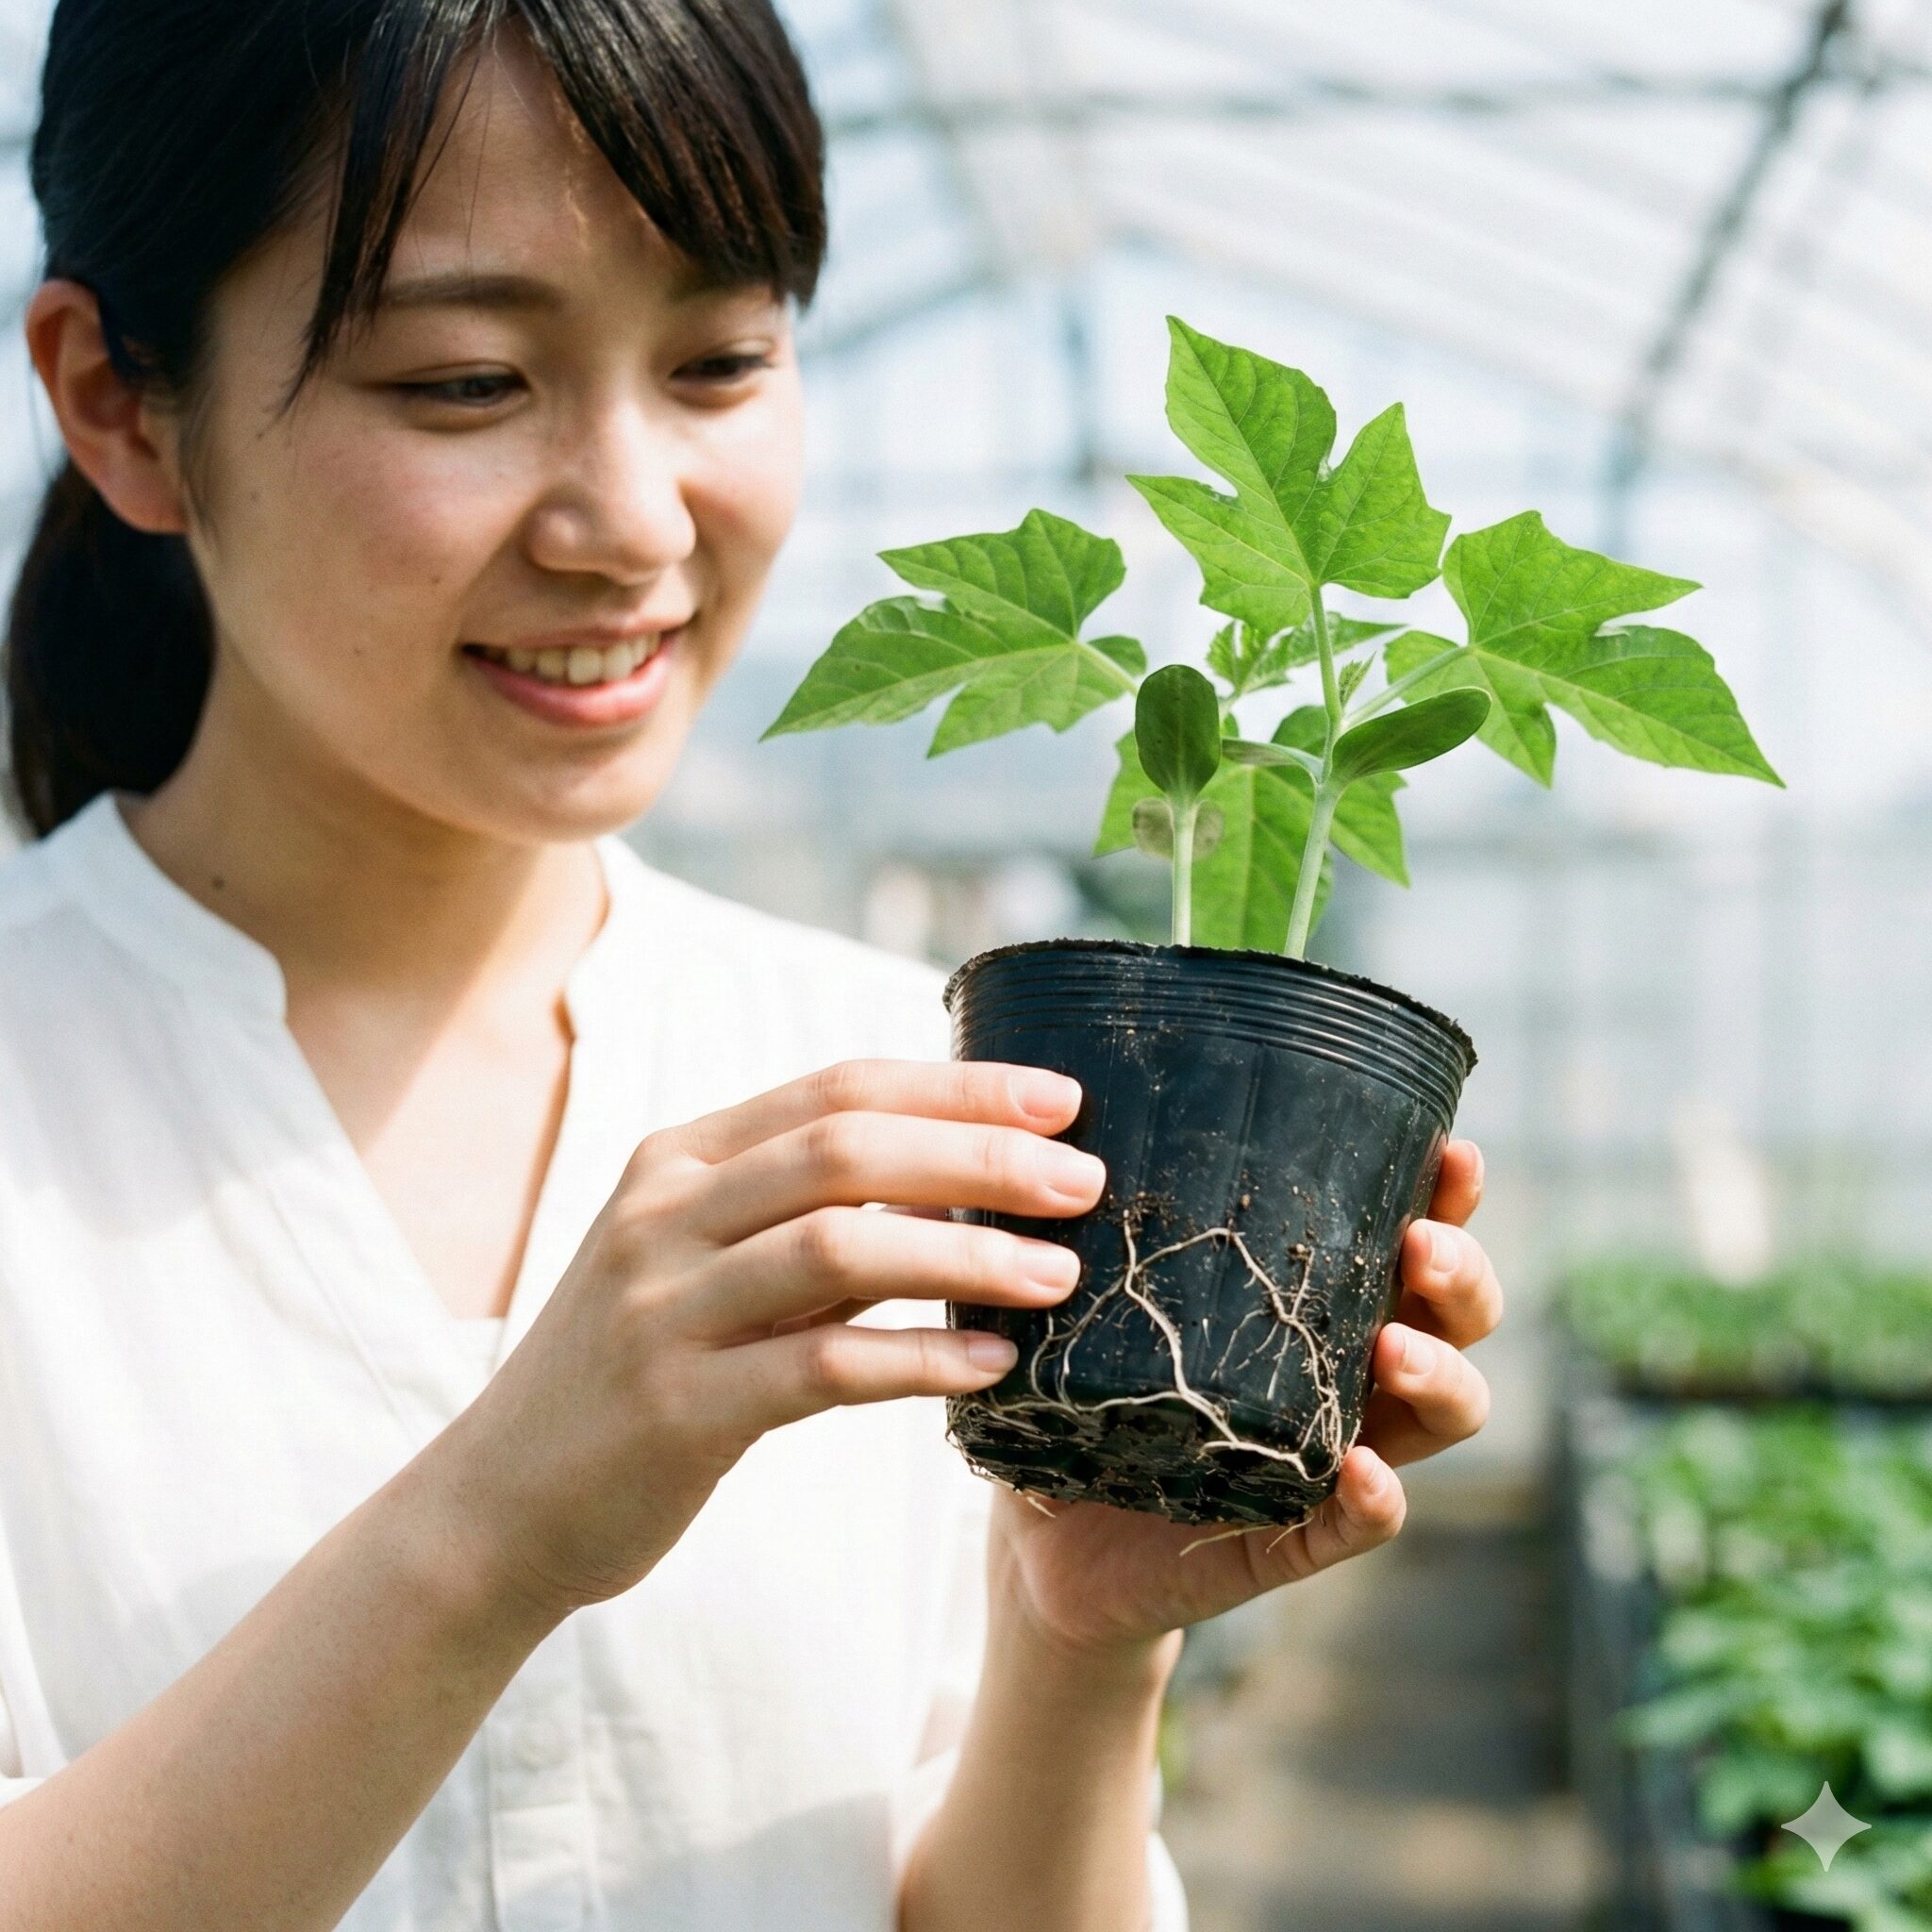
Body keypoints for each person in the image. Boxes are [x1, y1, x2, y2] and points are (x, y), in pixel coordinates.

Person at [0, 2, 1505, 1926]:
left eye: (719, 360)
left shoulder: (896, 1083)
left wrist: (1085, 1635)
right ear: (121, 403)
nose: (633, 520)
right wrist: (493, 1530)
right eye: (466, 382)